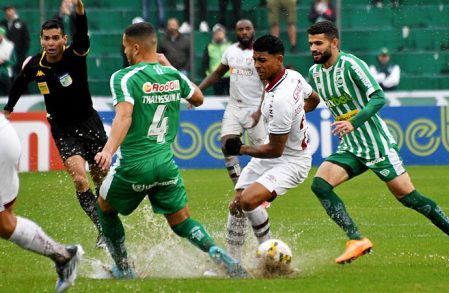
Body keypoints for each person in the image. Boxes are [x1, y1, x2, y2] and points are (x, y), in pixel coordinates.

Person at [306, 20, 449, 266]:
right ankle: (356, 240)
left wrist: (355, 121)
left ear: (334, 42)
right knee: (320, 185)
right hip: (351, 147)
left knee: (407, 196)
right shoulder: (315, 73)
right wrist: (294, 110)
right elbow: (314, 99)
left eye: (318, 43)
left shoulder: (351, 65)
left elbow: (378, 97)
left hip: (377, 144)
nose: (313, 48)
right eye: (310, 44)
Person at [94, 21, 248, 279]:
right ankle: (220, 255)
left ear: (135, 48)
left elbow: (124, 117)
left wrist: (109, 150)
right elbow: (198, 98)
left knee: (105, 208)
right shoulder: (172, 75)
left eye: (125, 48)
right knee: (181, 222)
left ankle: (123, 268)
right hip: (166, 165)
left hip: (134, 165)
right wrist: (170, 68)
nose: (124, 53)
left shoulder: (124, 77)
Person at [3, 0, 107, 249]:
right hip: (63, 129)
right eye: (46, 38)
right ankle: (102, 229)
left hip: (89, 122)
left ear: (64, 39)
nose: (50, 43)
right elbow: (19, 82)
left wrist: (80, 11)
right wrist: (8, 108)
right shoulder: (35, 64)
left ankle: (109, 221)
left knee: (102, 180)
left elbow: (82, 33)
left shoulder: (75, 54)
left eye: (55, 38)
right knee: (81, 181)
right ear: (41, 40)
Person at [222, 35, 321, 260]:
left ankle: (269, 254)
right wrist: (298, 114)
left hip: (292, 162)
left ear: (279, 59)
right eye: (255, 59)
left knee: (248, 200)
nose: (257, 65)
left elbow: (275, 150)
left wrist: (241, 149)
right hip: (275, 155)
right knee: (237, 205)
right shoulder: (293, 77)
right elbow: (314, 100)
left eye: (263, 60)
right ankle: (231, 262)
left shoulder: (280, 100)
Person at [0, 114, 83, 293]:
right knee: (3, 224)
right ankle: (64, 255)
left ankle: (64, 256)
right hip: (4, 136)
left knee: (4, 222)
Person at [199, 19, 266, 188]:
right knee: (227, 145)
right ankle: (240, 185)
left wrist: (259, 110)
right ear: (235, 32)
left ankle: (262, 189)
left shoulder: (261, 53)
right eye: (240, 29)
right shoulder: (230, 51)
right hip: (234, 107)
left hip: (255, 108)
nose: (244, 32)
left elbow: (268, 84)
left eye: (247, 29)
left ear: (253, 30)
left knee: (261, 153)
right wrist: (198, 91)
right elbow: (217, 74)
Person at [201, 24, 231, 96]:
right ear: (213, 35)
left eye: (220, 33)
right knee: (218, 96)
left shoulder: (230, 45)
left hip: (229, 76)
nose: (218, 35)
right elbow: (205, 62)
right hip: (216, 76)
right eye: (217, 33)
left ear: (224, 34)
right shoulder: (209, 46)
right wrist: (208, 73)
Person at [0, 5, 29, 79]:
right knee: (8, 78)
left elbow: (26, 40)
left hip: (19, 56)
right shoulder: (2, 23)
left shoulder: (21, 23)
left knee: (22, 77)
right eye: (7, 10)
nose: (9, 12)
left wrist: (22, 54)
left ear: (14, 11)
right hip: (6, 58)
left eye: (10, 10)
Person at [0, 26, 15, 95]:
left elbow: (14, 61)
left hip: (6, 75)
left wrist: (4, 61)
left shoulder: (10, 46)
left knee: (8, 96)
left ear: (3, 34)